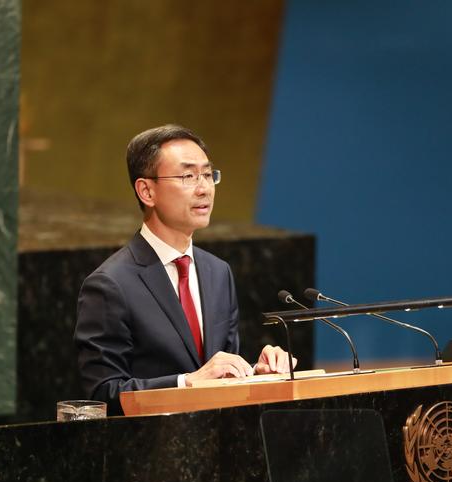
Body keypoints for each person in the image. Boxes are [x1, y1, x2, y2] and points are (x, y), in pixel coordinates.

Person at [74, 124, 295, 414]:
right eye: (188, 176)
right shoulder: (110, 284)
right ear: (146, 191)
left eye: (208, 174)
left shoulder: (218, 272)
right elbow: (102, 394)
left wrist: (255, 373)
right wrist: (186, 383)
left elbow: (219, 374)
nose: (204, 188)